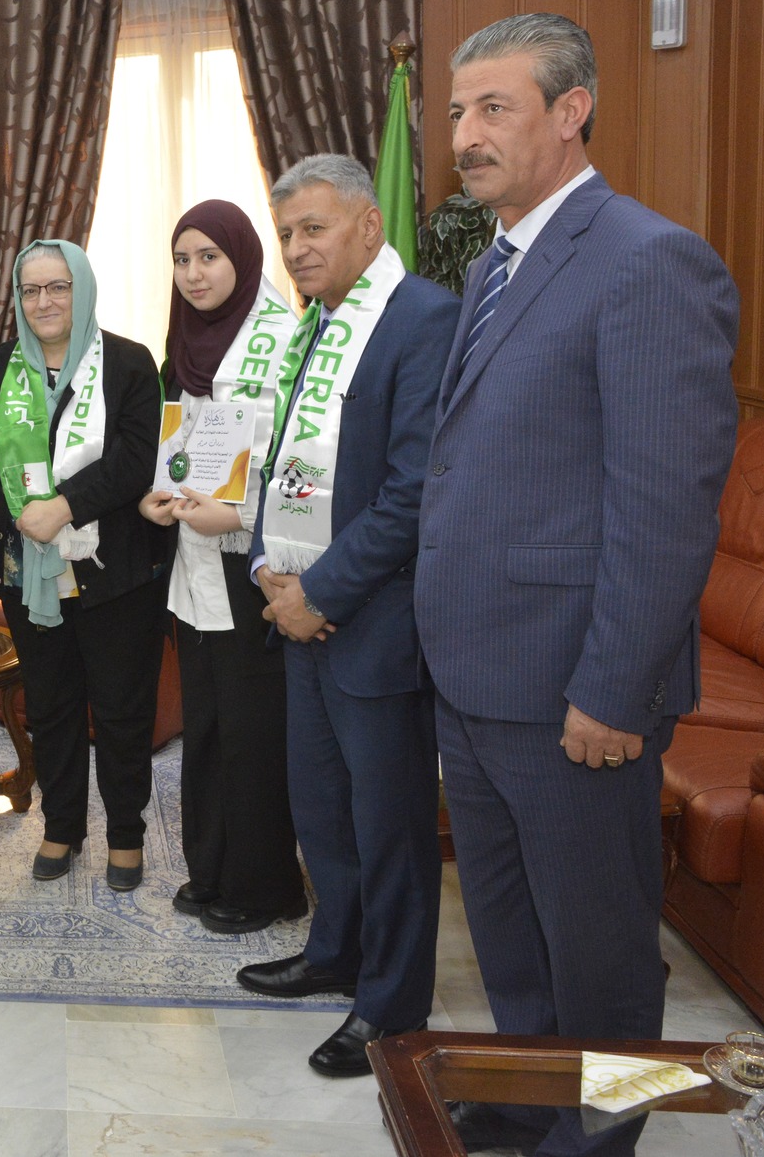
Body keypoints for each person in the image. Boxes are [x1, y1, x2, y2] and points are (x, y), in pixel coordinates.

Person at [418, 14, 739, 1157]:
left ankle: (594, 1142)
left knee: (598, 952)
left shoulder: (647, 259)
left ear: (570, 110)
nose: (463, 134)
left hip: (571, 689)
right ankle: (527, 1094)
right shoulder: (492, 262)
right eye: (456, 111)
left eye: (491, 107)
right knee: (508, 928)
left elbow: (662, 511)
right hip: (474, 674)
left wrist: (610, 687)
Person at [235, 154, 459, 1079]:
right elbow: (280, 457)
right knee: (322, 808)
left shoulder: (422, 320)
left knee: (390, 822)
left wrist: (318, 593)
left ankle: (391, 1004)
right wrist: (265, 565)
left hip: (374, 622)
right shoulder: (313, 328)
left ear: (370, 225)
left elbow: (412, 492)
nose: (295, 249)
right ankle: (336, 949)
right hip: (299, 616)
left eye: (314, 229)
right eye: (287, 233)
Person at [0, 240, 172, 892]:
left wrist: (65, 506)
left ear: (81, 289)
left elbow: (137, 457)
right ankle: (61, 824)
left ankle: (125, 833)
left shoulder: (129, 362)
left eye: (58, 286)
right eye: (30, 290)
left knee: (120, 710)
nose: (44, 301)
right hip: (27, 573)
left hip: (116, 574)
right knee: (51, 706)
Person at [138, 201, 306, 934]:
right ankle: (211, 869)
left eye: (208, 256)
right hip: (193, 567)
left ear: (241, 257)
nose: (193, 273)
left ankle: (266, 886)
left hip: (253, 568)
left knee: (254, 735)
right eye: (182, 259)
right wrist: (158, 496)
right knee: (205, 729)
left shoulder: (283, 338)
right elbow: (181, 443)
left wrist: (235, 517)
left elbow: (301, 462)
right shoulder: (185, 339)